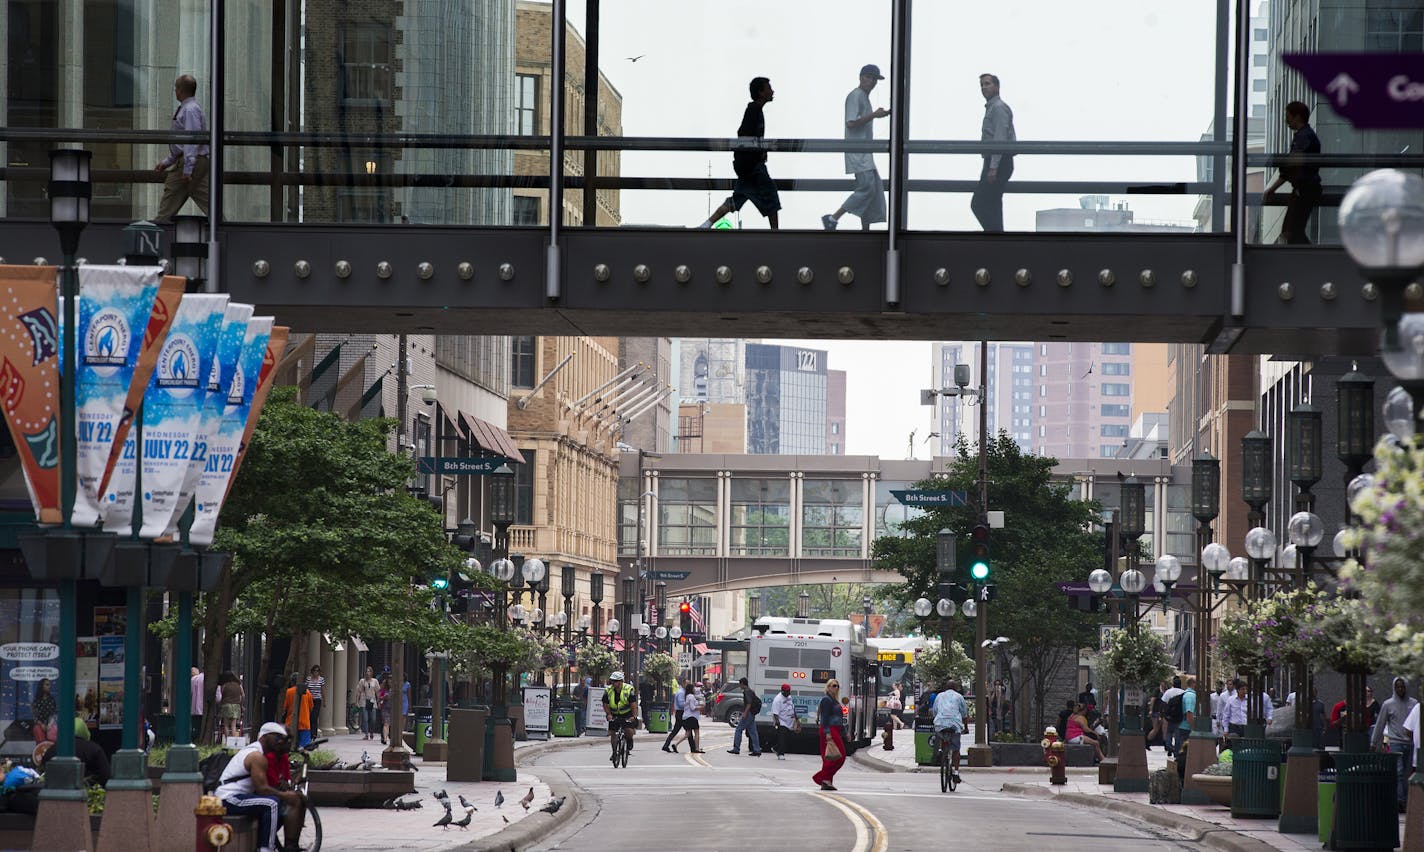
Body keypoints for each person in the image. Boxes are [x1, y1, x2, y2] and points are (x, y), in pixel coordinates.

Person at [700, 77, 780, 229]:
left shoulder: (755, 109)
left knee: (737, 198)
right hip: (754, 165)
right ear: (761, 92)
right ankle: (776, 234)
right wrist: (759, 150)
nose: (772, 91)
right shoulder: (754, 110)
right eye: (769, 88)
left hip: (746, 166)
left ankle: (706, 224)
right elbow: (744, 134)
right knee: (771, 195)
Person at [216, 722, 305, 852]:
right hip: (228, 798)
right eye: (276, 737)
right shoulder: (256, 756)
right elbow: (262, 788)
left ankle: (282, 845)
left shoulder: (260, 753)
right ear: (264, 737)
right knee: (271, 803)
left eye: (282, 738)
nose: (279, 741)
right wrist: (285, 795)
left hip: (238, 797)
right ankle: (265, 848)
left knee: (276, 804)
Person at [822, 64, 890, 231]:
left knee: (873, 188)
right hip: (858, 152)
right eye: (869, 77)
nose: (872, 81)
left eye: (875, 79)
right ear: (861, 77)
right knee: (867, 187)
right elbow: (851, 123)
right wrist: (874, 114)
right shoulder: (856, 96)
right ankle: (832, 218)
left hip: (865, 152)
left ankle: (865, 228)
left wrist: (884, 113)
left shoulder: (863, 97)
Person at [154, 74, 210, 221]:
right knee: (205, 197)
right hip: (194, 161)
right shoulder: (189, 108)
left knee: (171, 195)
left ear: (180, 90)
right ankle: (222, 225)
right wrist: (167, 162)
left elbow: (191, 139)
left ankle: (158, 229)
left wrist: (188, 169)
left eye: (175, 88)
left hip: (189, 162)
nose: (175, 91)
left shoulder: (189, 110)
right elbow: (183, 142)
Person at [1263, 101, 1321, 244]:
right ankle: (1310, 259)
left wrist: (1272, 189)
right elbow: (1291, 166)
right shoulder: (1305, 136)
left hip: (1305, 189)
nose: (1286, 120)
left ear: (1298, 117)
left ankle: (1311, 260)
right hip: (1306, 188)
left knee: (1291, 231)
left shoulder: (1303, 137)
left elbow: (1292, 165)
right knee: (1293, 230)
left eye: (1289, 116)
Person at [971, 73, 1015, 232]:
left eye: (987, 84)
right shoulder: (994, 108)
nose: (983, 87)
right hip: (995, 161)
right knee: (993, 204)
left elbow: (1000, 138)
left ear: (997, 87)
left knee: (979, 204)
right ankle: (998, 239)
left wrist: (993, 167)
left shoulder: (998, 108)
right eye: (982, 85)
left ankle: (995, 237)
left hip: (997, 161)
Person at [1372, 676, 1418, 813]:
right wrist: (1374, 742)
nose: (1400, 689)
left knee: (1406, 774)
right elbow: (1380, 724)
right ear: (1394, 688)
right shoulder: (1388, 704)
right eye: (1397, 686)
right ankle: (1400, 801)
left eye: (1402, 686)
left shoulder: (1414, 704)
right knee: (1398, 772)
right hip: (1396, 742)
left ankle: (1405, 799)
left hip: (1410, 743)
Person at [812, 679, 848, 791]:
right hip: (829, 729)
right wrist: (827, 732)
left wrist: (845, 732)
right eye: (833, 686)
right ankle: (822, 778)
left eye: (837, 686)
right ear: (828, 687)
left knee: (831, 757)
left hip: (836, 729)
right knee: (840, 756)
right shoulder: (826, 700)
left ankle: (826, 782)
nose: (836, 688)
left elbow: (840, 719)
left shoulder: (835, 700)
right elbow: (825, 717)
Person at [932, 679, 969, 783]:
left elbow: (934, 711)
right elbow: (964, 715)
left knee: (940, 733)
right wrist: (965, 728)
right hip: (954, 724)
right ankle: (956, 772)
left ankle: (940, 750)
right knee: (956, 750)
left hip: (940, 723)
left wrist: (936, 720)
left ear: (946, 688)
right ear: (956, 688)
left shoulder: (939, 696)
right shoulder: (959, 697)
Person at [41, 736, 110, 786]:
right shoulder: (94, 748)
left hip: (54, 795)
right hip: (89, 796)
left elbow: (42, 774)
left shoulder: (52, 749)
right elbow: (105, 776)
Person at [601, 671, 638, 764]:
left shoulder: (629, 689)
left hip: (627, 713)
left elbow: (633, 705)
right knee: (612, 732)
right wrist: (608, 714)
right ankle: (614, 752)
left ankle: (629, 741)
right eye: (612, 681)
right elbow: (605, 704)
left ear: (621, 681)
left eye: (616, 681)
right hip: (614, 713)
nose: (613, 683)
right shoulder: (608, 690)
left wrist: (633, 716)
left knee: (628, 731)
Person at [728, 677, 764, 756]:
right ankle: (757, 749)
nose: (739, 686)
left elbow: (749, 703)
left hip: (748, 714)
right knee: (753, 732)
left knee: (738, 729)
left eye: (740, 684)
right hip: (752, 714)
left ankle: (736, 748)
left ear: (742, 684)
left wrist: (745, 713)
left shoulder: (746, 692)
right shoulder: (751, 691)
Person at [280, 673, 314, 749]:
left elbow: (284, 708)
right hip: (304, 723)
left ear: (291, 682)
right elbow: (311, 707)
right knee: (305, 747)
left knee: (289, 745)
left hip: (290, 722)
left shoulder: (288, 692)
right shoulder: (307, 692)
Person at [770, 683, 797, 760]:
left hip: (789, 721)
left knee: (789, 737)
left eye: (789, 691)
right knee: (782, 737)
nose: (789, 693)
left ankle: (776, 748)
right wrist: (777, 723)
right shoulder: (778, 699)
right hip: (781, 721)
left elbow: (792, 706)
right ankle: (780, 754)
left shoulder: (789, 697)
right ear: (782, 691)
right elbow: (775, 713)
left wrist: (796, 716)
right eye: (787, 691)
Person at [1176, 676, 1199, 757]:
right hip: (1186, 728)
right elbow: (1189, 713)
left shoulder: (1186, 694)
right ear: (1193, 684)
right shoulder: (1191, 696)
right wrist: (1193, 729)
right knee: (1185, 753)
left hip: (1183, 726)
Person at [218, 671, 245, 741]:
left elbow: (221, 695)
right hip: (236, 705)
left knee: (226, 725)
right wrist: (241, 704)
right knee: (234, 725)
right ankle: (233, 742)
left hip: (226, 705)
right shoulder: (238, 685)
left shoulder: (225, 685)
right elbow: (243, 695)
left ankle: (228, 741)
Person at [662, 680, 687, 753]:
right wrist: (688, 704)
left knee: (676, 731)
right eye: (687, 684)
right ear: (683, 684)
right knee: (688, 731)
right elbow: (681, 704)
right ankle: (693, 747)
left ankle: (666, 745)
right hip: (681, 713)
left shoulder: (681, 692)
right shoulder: (681, 693)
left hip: (680, 713)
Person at [356, 667, 379, 741]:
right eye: (366, 671)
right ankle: (366, 734)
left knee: (373, 719)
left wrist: (379, 701)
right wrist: (357, 701)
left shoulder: (375, 681)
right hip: (364, 701)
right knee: (365, 718)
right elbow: (358, 691)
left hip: (372, 701)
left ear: (371, 673)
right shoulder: (362, 681)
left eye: (369, 671)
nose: (367, 673)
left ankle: (371, 732)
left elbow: (378, 692)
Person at [30, 678, 56, 743]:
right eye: (47, 685)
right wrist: (42, 725)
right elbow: (35, 715)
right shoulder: (36, 700)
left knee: (53, 730)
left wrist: (49, 724)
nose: (49, 687)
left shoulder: (51, 699)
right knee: (37, 730)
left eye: (49, 685)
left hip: (50, 723)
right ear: (42, 686)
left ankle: (52, 750)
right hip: (40, 724)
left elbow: (54, 713)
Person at [681, 683, 705, 753]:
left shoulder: (687, 696)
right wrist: (700, 707)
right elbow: (692, 708)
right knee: (696, 733)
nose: (694, 689)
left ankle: (675, 744)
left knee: (688, 734)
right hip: (692, 717)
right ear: (691, 689)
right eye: (693, 688)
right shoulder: (691, 696)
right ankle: (696, 748)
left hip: (688, 717)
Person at [305, 665, 325, 737]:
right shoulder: (308, 679)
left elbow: (322, 690)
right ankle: (309, 731)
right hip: (309, 700)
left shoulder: (321, 679)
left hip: (317, 700)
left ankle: (314, 733)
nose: (316, 672)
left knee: (314, 716)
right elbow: (306, 689)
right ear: (312, 671)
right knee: (309, 716)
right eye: (314, 670)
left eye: (317, 671)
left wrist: (324, 700)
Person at [377, 675, 391, 745]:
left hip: (393, 709)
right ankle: (385, 738)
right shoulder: (384, 689)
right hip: (385, 708)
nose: (390, 681)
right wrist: (383, 698)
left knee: (391, 725)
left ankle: (389, 737)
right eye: (389, 680)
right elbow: (379, 697)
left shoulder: (396, 688)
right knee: (386, 723)